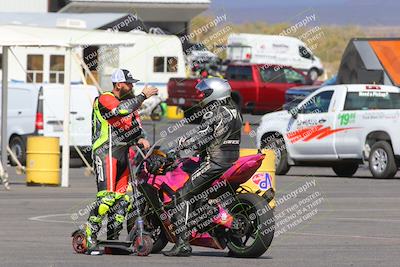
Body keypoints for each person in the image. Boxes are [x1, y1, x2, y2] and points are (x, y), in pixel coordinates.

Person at [163, 78, 243, 257]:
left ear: (215, 93)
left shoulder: (214, 111)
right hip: (232, 161)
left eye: (205, 93)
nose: (202, 97)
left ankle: (182, 243)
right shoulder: (235, 110)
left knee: (181, 196)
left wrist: (179, 145)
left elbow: (201, 137)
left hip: (214, 161)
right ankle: (234, 239)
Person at [85, 68, 158, 255]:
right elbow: (120, 111)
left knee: (123, 200)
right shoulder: (105, 99)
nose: (132, 86)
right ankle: (89, 236)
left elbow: (136, 127)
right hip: (105, 153)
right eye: (129, 83)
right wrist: (143, 96)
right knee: (106, 199)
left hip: (123, 154)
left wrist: (141, 138)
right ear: (119, 84)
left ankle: (112, 241)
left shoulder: (130, 104)